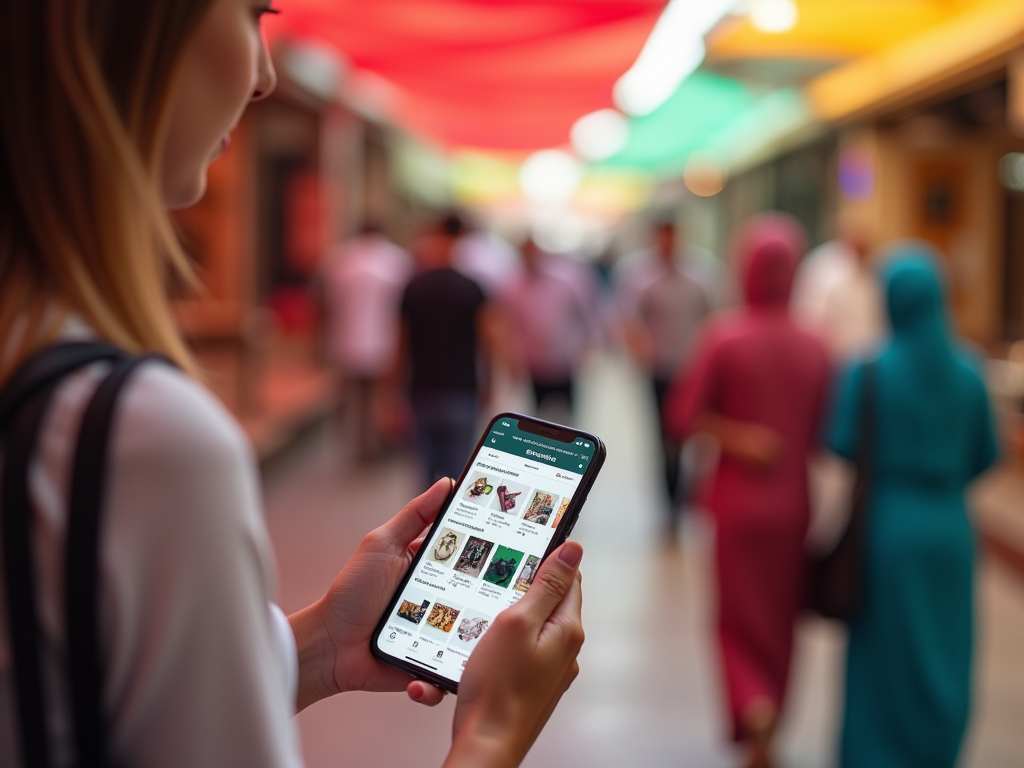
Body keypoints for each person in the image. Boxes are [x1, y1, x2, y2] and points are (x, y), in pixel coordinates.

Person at [0, 3, 585, 767]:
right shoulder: (142, 436)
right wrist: (494, 735)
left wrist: (320, 645)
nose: (265, 74)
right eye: (250, 14)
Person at [664, 214, 830, 768]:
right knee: (781, 617)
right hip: (793, 504)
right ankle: (773, 710)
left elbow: (682, 416)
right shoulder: (817, 346)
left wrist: (734, 438)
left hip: (734, 503)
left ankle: (751, 702)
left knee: (735, 617)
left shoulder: (722, 336)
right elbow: (832, 435)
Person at [826, 245, 997, 768]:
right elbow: (986, 454)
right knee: (944, 653)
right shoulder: (971, 372)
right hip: (949, 526)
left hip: (886, 526)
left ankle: (875, 753)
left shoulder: (869, 370)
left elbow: (841, 440)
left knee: (883, 656)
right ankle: (936, 749)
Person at [389, 213, 498, 485]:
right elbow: (488, 342)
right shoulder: (473, 288)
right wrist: (490, 384)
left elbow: (399, 346)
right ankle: (450, 525)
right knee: (457, 474)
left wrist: (391, 393)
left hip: (422, 391)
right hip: (462, 391)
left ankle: (424, 524)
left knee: (425, 477)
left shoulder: (413, 287)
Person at [620, 219, 710, 533]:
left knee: (693, 435)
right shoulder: (641, 277)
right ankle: (670, 504)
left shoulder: (701, 274)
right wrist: (641, 353)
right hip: (659, 370)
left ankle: (688, 497)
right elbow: (629, 321)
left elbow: (712, 317)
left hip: (692, 370)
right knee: (664, 440)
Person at [319, 220, 411, 463]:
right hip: (386, 341)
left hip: (347, 340)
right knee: (382, 397)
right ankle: (378, 443)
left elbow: (327, 303)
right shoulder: (397, 260)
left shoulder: (340, 259)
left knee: (355, 399)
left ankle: (361, 446)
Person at [499, 237, 591, 417]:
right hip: (534, 363)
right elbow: (507, 325)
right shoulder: (513, 286)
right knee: (538, 416)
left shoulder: (563, 282)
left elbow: (584, 315)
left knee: (567, 414)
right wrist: (510, 357)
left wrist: (585, 346)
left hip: (563, 360)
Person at [790, 216, 885, 360]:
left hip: (867, 360)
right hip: (833, 358)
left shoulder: (873, 275)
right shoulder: (822, 267)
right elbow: (809, 317)